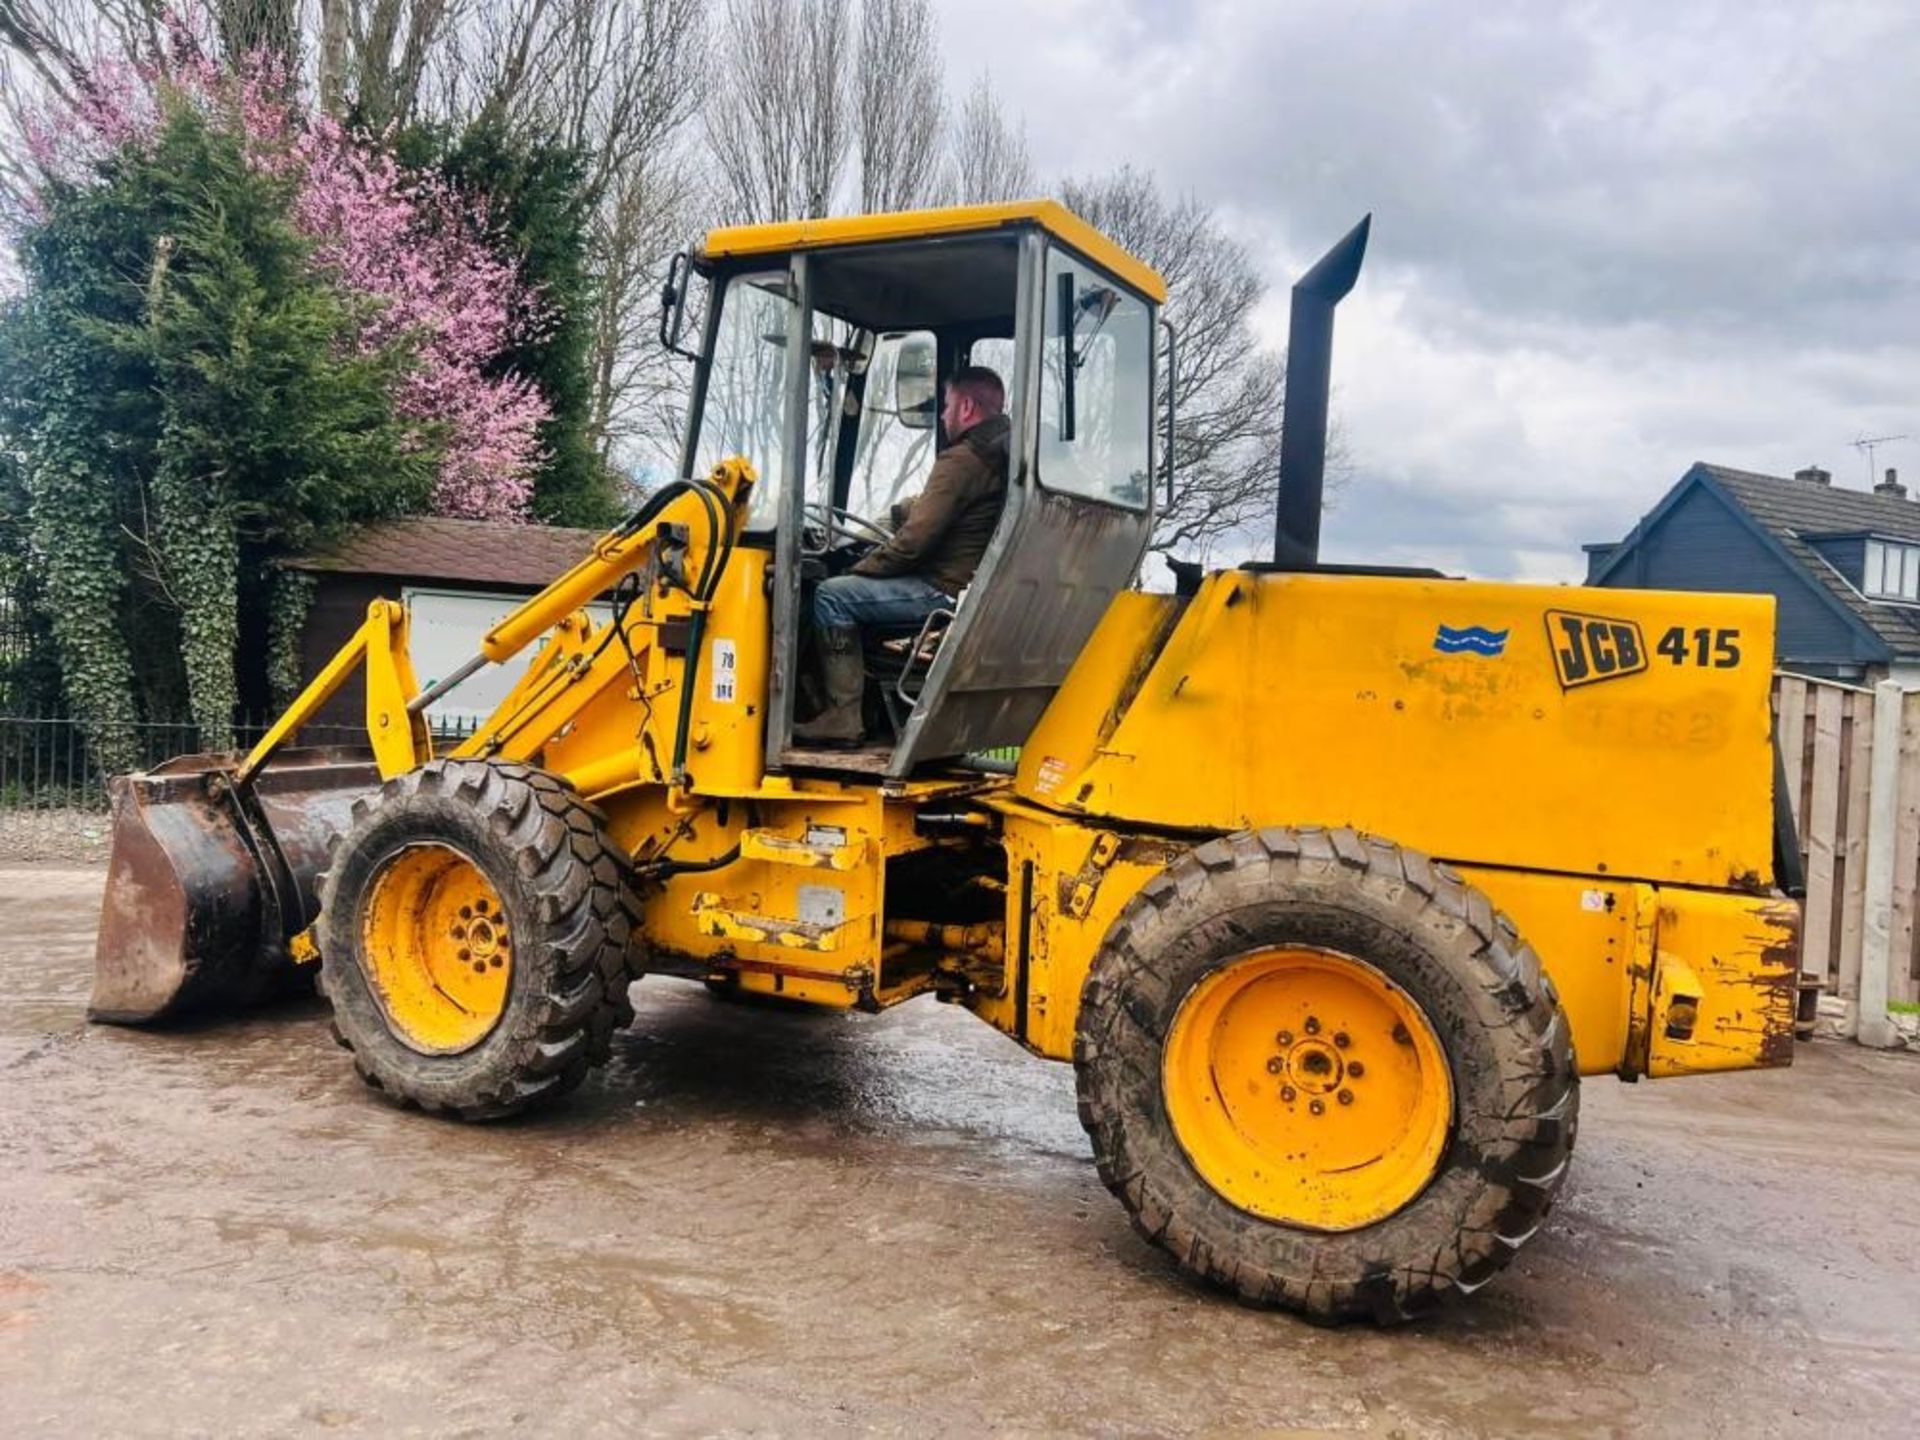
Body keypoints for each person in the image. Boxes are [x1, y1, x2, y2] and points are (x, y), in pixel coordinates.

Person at [793, 364, 1010, 744]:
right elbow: (942, 512)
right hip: (967, 587)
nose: (942, 416)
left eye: (946, 406)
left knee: (831, 595)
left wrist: (861, 566)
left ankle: (843, 717)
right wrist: (899, 512)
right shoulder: (1002, 456)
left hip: (940, 588)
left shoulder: (961, 461)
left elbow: (913, 544)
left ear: (966, 408)